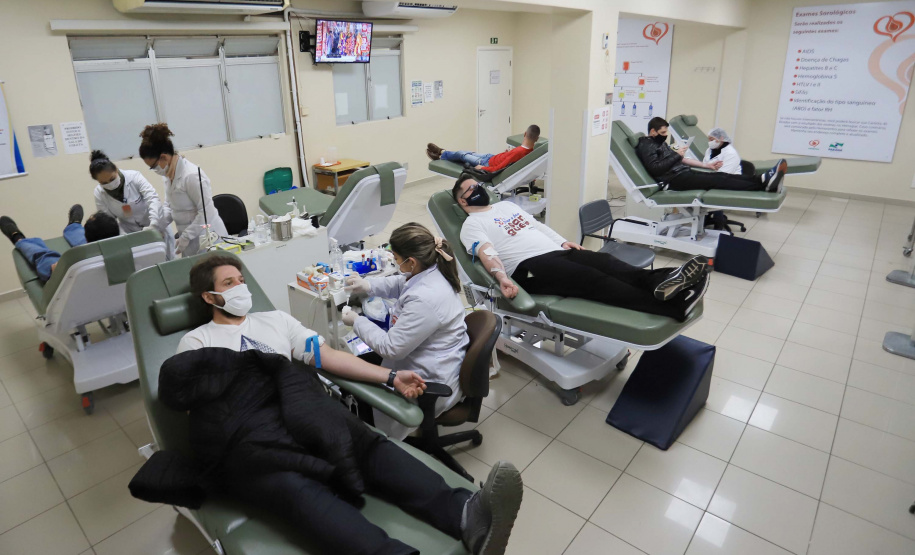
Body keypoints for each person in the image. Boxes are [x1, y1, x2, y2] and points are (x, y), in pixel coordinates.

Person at [177, 254, 523, 555]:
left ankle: (467, 515)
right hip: (256, 431)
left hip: (304, 411)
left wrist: (390, 377)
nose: (240, 287)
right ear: (210, 296)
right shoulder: (196, 341)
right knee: (294, 485)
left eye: (240, 279)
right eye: (229, 283)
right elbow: (202, 409)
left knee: (365, 443)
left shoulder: (276, 321)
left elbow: (326, 356)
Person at [452, 176, 710, 322]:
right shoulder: (472, 224)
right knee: (595, 281)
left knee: (610, 264)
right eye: (472, 188)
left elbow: (538, 227)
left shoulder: (506, 206)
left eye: (478, 184)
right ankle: (675, 306)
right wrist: (501, 277)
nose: (479, 189)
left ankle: (669, 280)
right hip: (528, 268)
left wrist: (563, 241)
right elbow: (488, 254)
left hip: (556, 252)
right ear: (463, 200)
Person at [343, 223, 469, 440]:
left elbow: (391, 348)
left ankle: (370, 439)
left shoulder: (426, 298)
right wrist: (368, 286)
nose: (394, 262)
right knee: (358, 365)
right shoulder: (433, 268)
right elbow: (402, 283)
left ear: (411, 262)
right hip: (434, 358)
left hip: (426, 381)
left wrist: (356, 321)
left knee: (352, 382)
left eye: (395, 258)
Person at [139, 123, 227, 257]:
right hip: (189, 240)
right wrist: (156, 225)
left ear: (164, 157)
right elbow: (169, 206)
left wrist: (186, 236)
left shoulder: (191, 176)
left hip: (209, 237)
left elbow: (206, 211)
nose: (155, 170)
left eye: (154, 166)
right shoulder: (168, 175)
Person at [636, 117, 787, 193]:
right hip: (673, 181)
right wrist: (676, 155)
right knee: (719, 179)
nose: (665, 135)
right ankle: (763, 185)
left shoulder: (659, 143)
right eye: (662, 133)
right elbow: (655, 169)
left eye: (666, 132)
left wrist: (705, 165)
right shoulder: (646, 145)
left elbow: (682, 159)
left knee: (721, 176)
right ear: (652, 132)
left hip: (682, 174)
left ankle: (762, 180)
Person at [89, 150, 175, 260]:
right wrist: (126, 238)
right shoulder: (99, 194)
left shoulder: (134, 177)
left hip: (157, 226)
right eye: (104, 183)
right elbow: (109, 223)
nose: (109, 184)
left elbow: (152, 199)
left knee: (168, 262)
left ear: (116, 169)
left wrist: (154, 225)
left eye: (112, 179)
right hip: (130, 233)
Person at [1, 206, 120, 282]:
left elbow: (55, 269)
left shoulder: (74, 262)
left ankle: (18, 238)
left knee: (44, 256)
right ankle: (73, 225)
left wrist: (59, 266)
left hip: (72, 288)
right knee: (94, 241)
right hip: (108, 289)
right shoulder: (128, 253)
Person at [427, 124, 541, 173]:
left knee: (462, 155)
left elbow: (499, 168)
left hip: (486, 163)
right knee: (467, 153)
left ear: (525, 133)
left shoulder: (519, 151)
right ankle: (442, 152)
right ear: (537, 139)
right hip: (491, 157)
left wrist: (483, 168)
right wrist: (506, 154)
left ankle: (441, 154)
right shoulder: (529, 152)